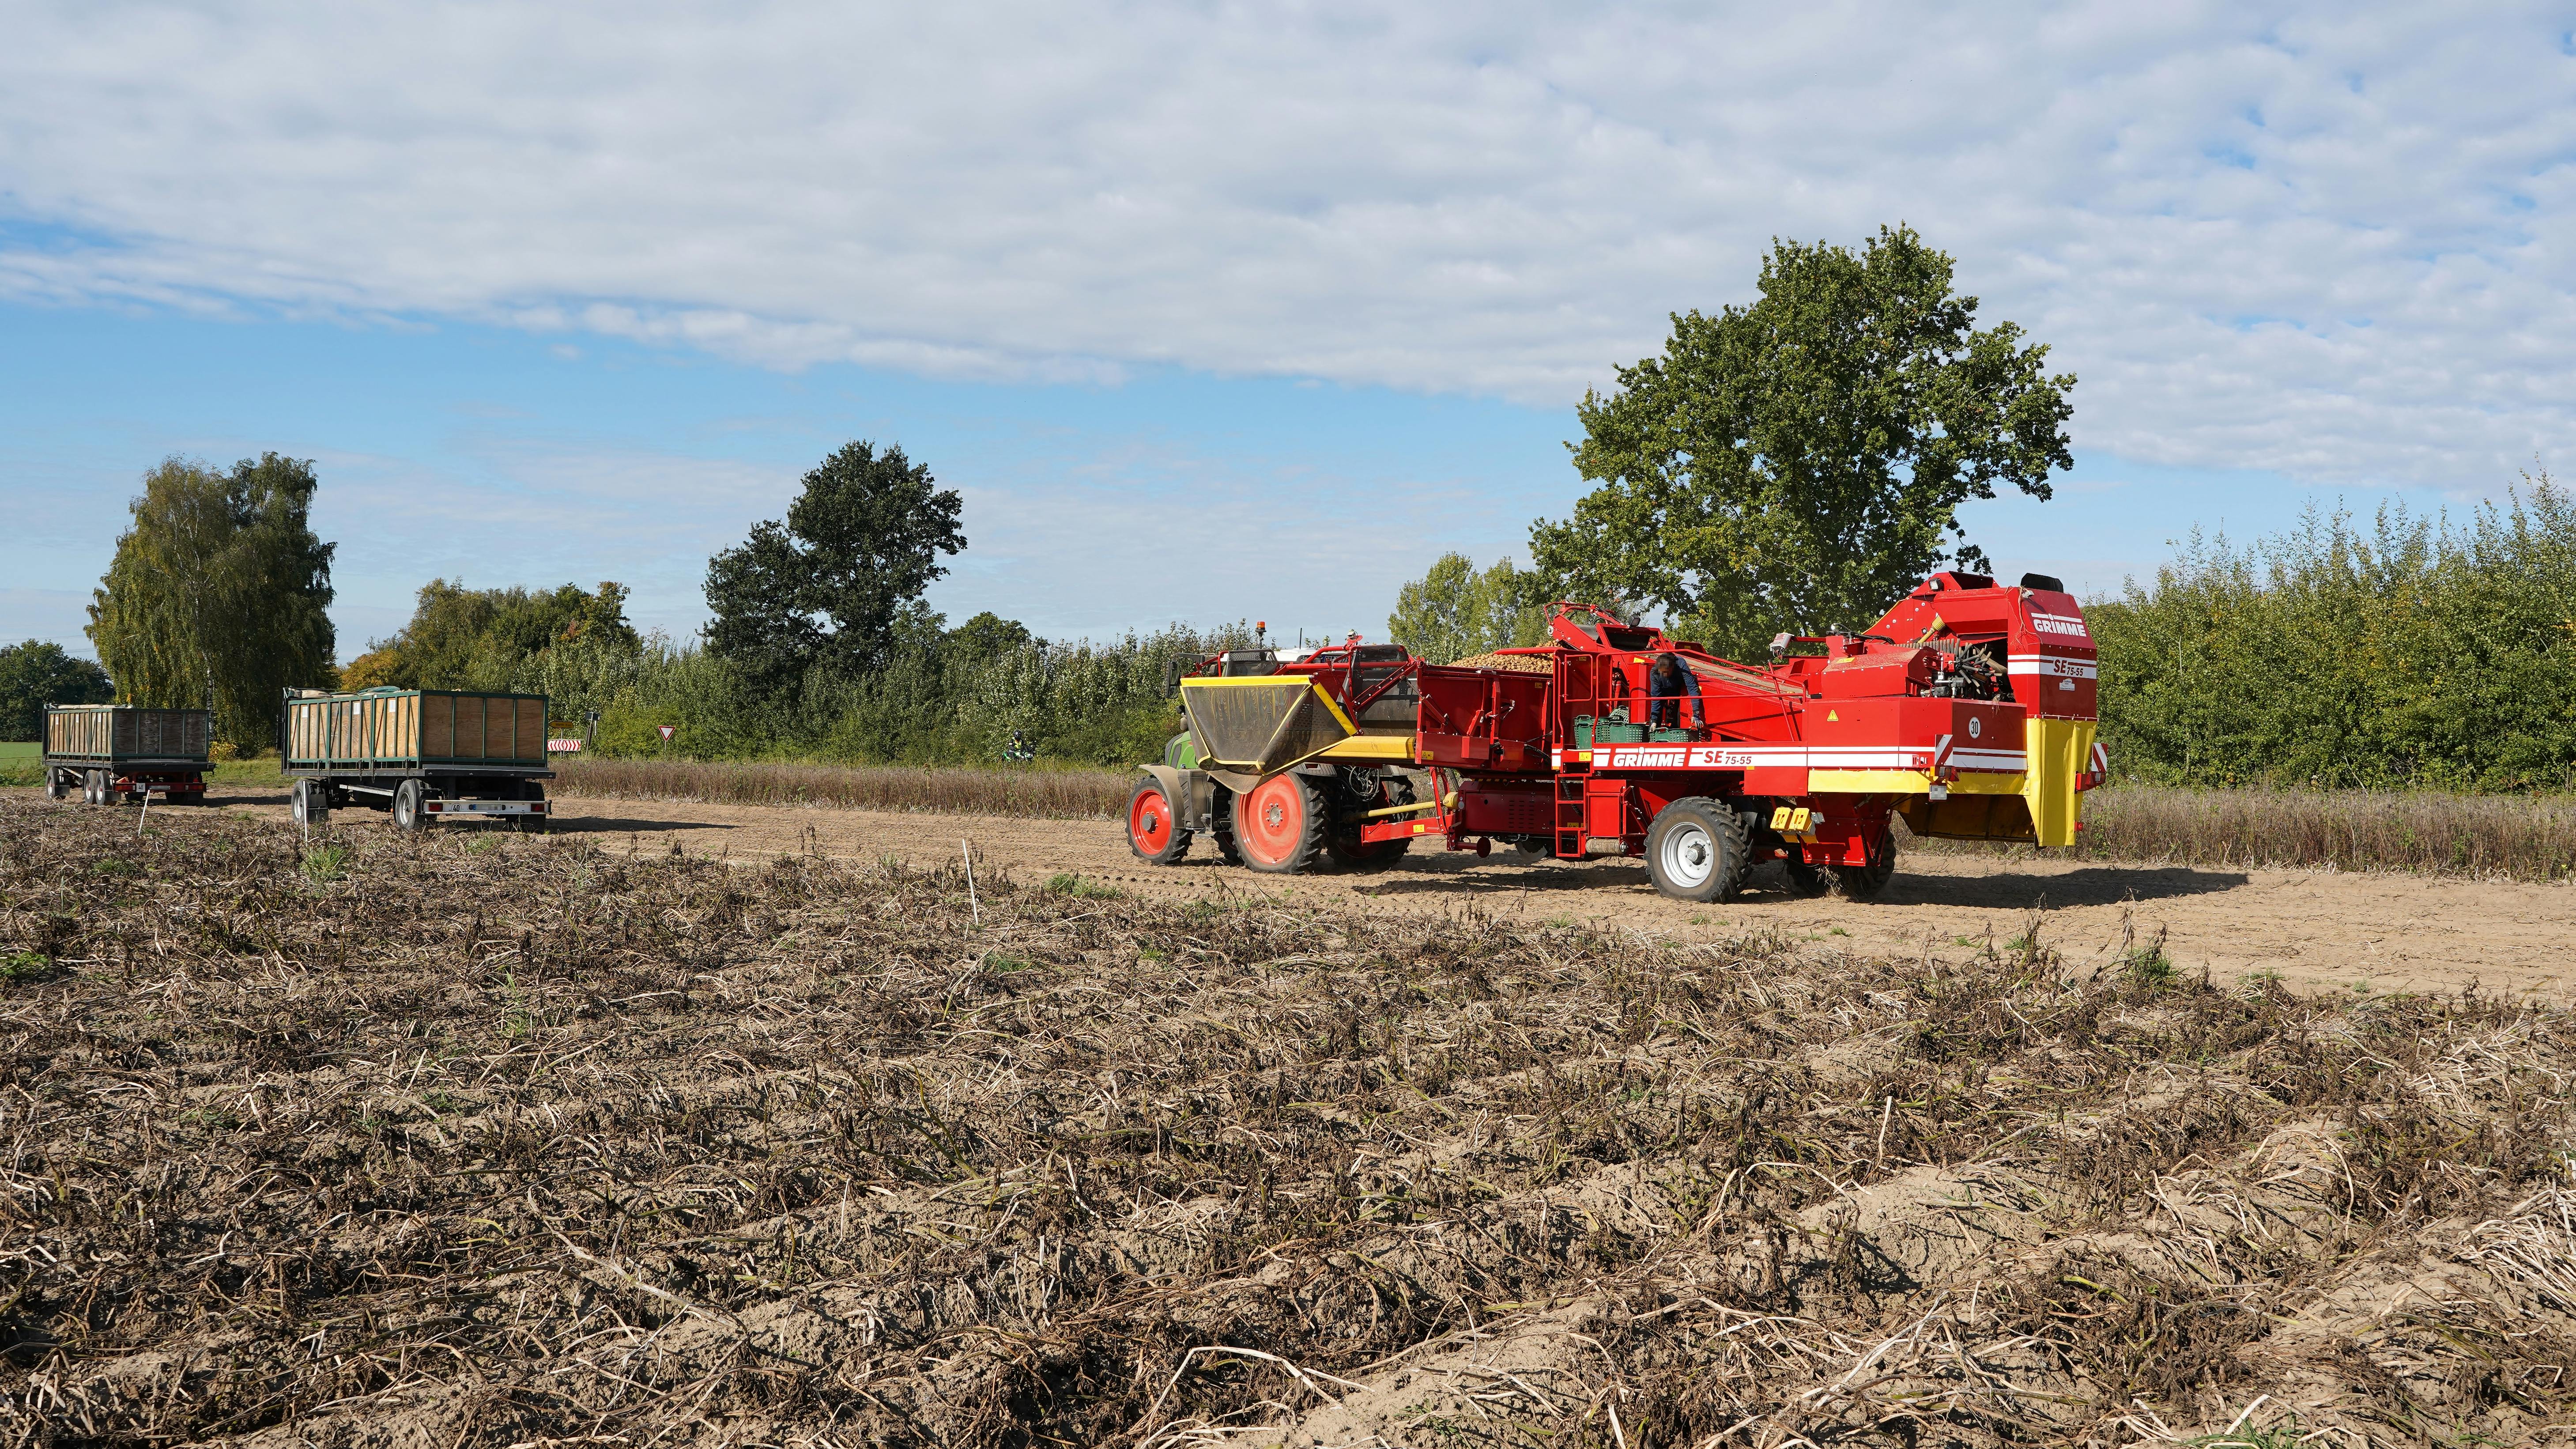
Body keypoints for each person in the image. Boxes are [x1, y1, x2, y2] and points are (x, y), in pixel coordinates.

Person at [1647, 652, 1704, 731]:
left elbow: (1692, 688)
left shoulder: (1681, 664)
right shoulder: (1654, 673)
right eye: (1662, 673)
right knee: (1654, 722)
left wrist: (1696, 714)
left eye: (1666, 672)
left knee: (1677, 720)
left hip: (1678, 691)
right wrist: (1654, 721)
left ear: (1673, 667)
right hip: (1662, 691)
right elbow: (1656, 697)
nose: (1664, 675)